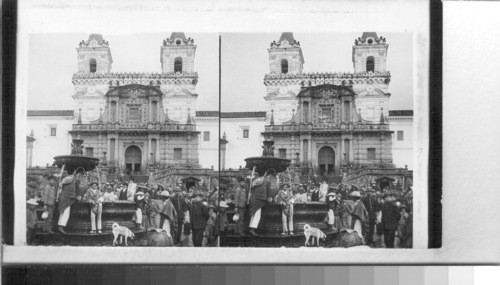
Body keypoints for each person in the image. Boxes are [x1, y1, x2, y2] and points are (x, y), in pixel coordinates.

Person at [57, 168, 83, 234]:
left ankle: (60, 225)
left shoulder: (74, 179)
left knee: (64, 211)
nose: (79, 175)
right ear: (75, 172)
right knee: (65, 212)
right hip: (66, 197)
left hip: (68, 197)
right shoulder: (69, 178)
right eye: (79, 174)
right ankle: (61, 226)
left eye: (80, 174)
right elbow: (61, 186)